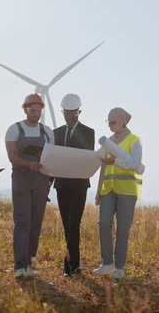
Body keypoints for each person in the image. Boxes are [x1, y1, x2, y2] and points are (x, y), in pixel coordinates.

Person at [5, 93, 54, 278]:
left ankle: (31, 264)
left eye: (39, 110)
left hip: (41, 179)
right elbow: (13, 157)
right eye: (32, 110)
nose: (35, 114)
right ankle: (19, 266)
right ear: (25, 109)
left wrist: (48, 179)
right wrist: (29, 164)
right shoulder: (14, 129)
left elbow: (51, 157)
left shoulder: (48, 131)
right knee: (22, 221)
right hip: (21, 178)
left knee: (36, 223)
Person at [93, 107, 143, 279]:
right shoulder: (107, 141)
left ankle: (119, 267)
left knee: (123, 228)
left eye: (113, 121)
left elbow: (135, 164)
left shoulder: (134, 141)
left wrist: (116, 160)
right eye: (108, 122)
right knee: (104, 224)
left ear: (123, 120)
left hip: (127, 191)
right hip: (108, 190)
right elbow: (103, 167)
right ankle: (107, 264)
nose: (110, 125)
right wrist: (98, 190)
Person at [52, 94, 95, 276]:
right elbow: (52, 160)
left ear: (79, 112)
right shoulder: (56, 133)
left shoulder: (88, 132)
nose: (70, 116)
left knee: (74, 224)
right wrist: (47, 187)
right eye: (67, 113)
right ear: (62, 112)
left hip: (78, 184)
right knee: (66, 224)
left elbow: (86, 157)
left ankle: (71, 266)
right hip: (61, 185)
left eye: (74, 113)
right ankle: (73, 265)